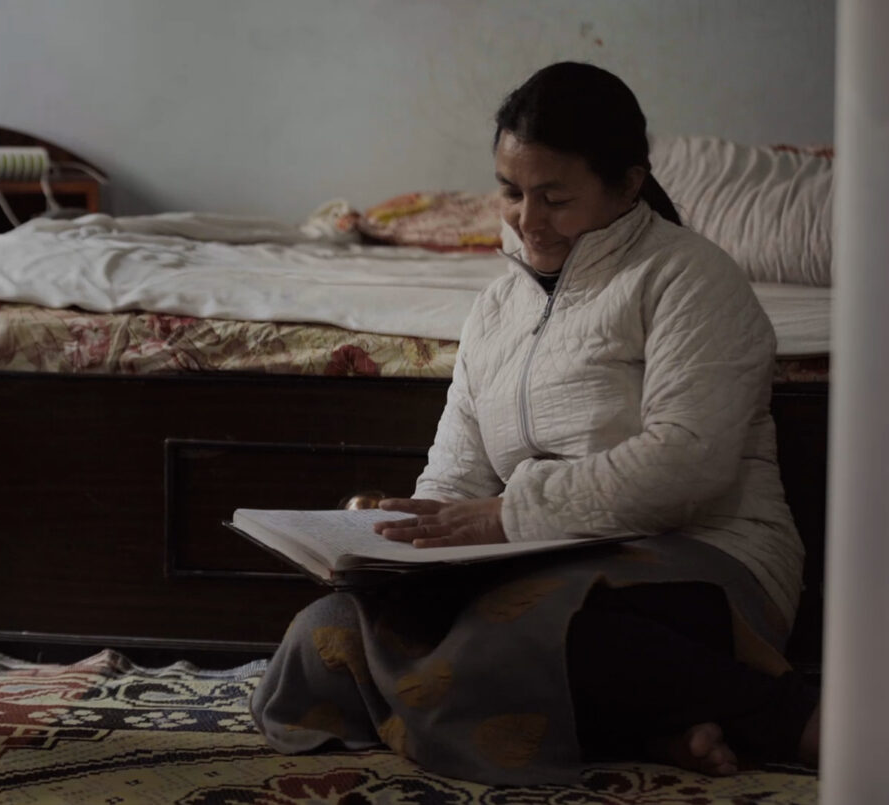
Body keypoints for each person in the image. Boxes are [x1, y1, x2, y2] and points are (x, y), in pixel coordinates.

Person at [250, 61, 820, 785]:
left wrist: (507, 518)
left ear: (627, 182)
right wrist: (403, 544)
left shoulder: (689, 278)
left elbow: (688, 462)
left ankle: (789, 716)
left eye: (554, 197)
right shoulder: (495, 309)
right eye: (512, 192)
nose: (527, 218)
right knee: (327, 635)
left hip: (702, 557)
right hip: (532, 564)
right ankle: (654, 729)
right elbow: (457, 475)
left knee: (513, 639)